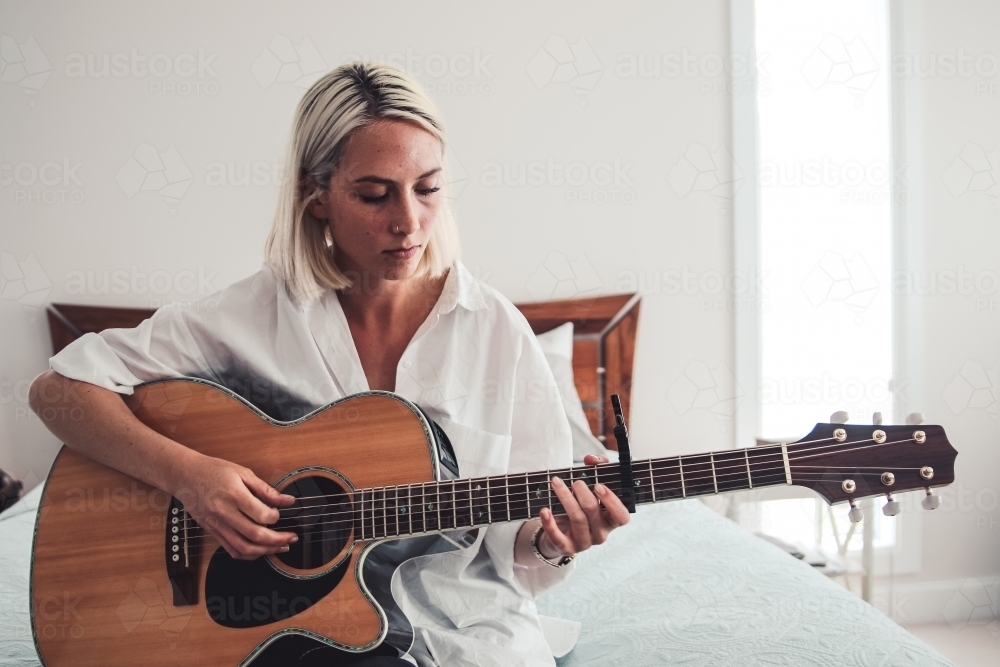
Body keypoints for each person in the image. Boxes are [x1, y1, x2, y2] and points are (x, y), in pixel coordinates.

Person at [29, 62, 629, 667]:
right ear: (314, 197)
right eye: (374, 194)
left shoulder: (496, 330)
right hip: (287, 632)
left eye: (428, 188)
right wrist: (189, 476)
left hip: (463, 629)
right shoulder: (246, 317)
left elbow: (520, 547)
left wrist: (558, 544)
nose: (409, 221)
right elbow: (60, 389)